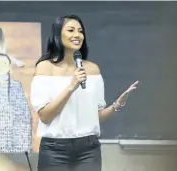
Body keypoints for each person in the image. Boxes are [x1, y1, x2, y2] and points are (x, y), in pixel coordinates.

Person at [31, 15, 139, 171]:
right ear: (57, 35)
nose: (77, 35)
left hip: (88, 149)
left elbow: (97, 116)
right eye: (71, 30)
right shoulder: (45, 68)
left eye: (80, 31)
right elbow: (45, 116)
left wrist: (117, 104)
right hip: (55, 149)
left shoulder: (92, 69)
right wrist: (71, 86)